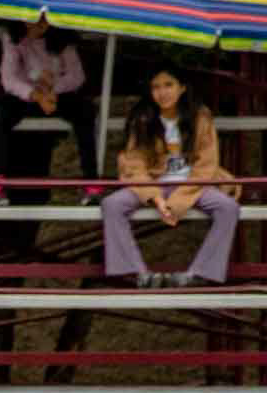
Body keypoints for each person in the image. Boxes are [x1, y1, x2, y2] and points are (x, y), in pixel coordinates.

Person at [102, 67, 241, 289]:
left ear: (182, 88)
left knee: (228, 207)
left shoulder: (200, 117)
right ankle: (134, 273)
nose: (162, 92)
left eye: (168, 85)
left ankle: (202, 273)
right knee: (112, 204)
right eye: (156, 87)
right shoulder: (143, 118)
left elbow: (206, 164)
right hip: (153, 183)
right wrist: (155, 198)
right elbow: (134, 164)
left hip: (193, 185)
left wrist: (178, 201)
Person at [0, 19, 102, 208]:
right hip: (26, 95)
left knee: (86, 111)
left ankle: (91, 182)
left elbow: (76, 75)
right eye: (29, 21)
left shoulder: (63, 36)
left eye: (41, 22)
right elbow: (9, 78)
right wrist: (36, 95)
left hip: (58, 94)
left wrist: (53, 90)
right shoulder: (12, 36)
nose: (34, 26)